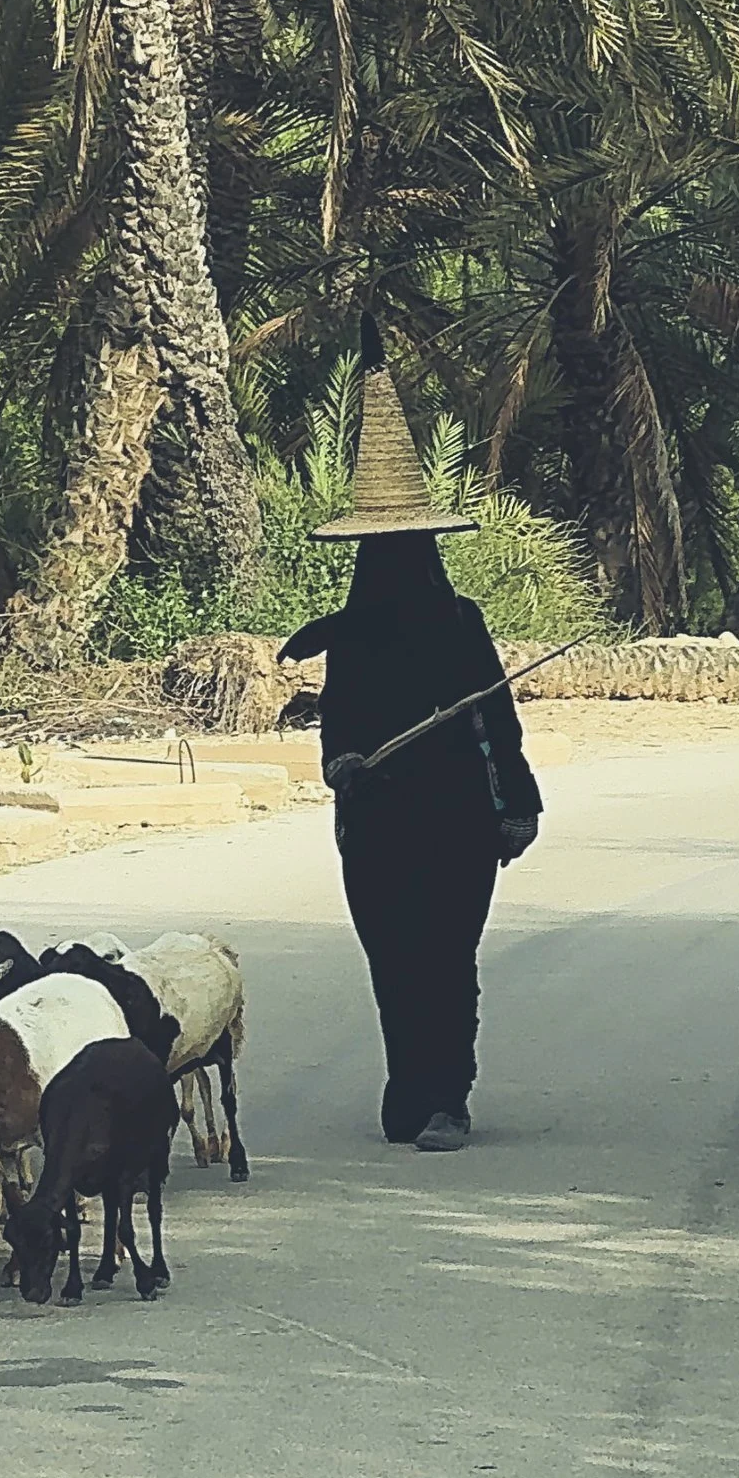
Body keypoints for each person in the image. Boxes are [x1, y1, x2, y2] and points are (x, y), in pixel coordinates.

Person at [281, 358, 541, 1153]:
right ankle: (409, 1083)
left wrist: (517, 806)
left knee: (445, 955)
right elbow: (338, 726)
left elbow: (496, 720)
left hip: (458, 824)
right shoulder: (349, 636)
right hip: (376, 825)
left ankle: (447, 1098)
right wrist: (342, 766)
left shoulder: (459, 621)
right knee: (393, 958)